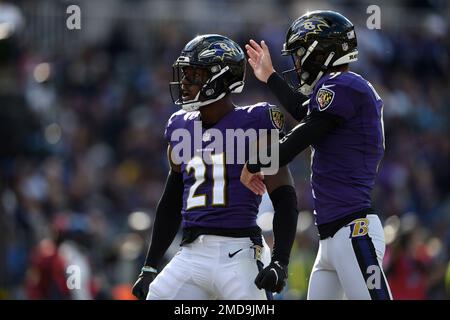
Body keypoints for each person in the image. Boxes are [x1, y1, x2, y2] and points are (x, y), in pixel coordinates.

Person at [131, 34, 299, 300]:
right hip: (191, 252)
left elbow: (284, 196)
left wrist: (280, 261)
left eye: (194, 75)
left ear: (221, 79)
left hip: (239, 252)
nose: (185, 82)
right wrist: (151, 265)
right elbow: (171, 201)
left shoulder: (255, 125)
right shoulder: (180, 126)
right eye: (185, 74)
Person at [240, 10, 393, 300]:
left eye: (299, 54)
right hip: (332, 236)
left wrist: (255, 162)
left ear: (320, 51)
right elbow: (305, 112)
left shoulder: (345, 84)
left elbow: (302, 135)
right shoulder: (340, 90)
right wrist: (270, 77)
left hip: (353, 229)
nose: (296, 63)